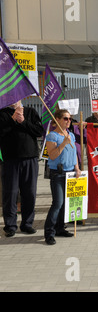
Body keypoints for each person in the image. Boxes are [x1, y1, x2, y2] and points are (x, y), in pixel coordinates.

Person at [0, 101, 43, 237]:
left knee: (29, 193)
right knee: (10, 194)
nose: (14, 100)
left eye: (17, 97)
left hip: (30, 158)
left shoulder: (31, 112)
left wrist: (23, 121)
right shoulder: (3, 113)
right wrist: (12, 121)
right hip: (10, 160)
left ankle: (27, 224)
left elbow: (39, 131)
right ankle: (10, 226)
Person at [44, 109, 82, 245]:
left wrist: (77, 168)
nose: (68, 121)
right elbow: (52, 155)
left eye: (70, 119)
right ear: (57, 120)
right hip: (57, 173)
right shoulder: (52, 136)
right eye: (66, 118)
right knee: (58, 203)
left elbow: (74, 155)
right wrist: (64, 143)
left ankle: (60, 228)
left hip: (70, 172)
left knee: (66, 204)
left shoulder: (70, 134)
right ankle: (49, 232)